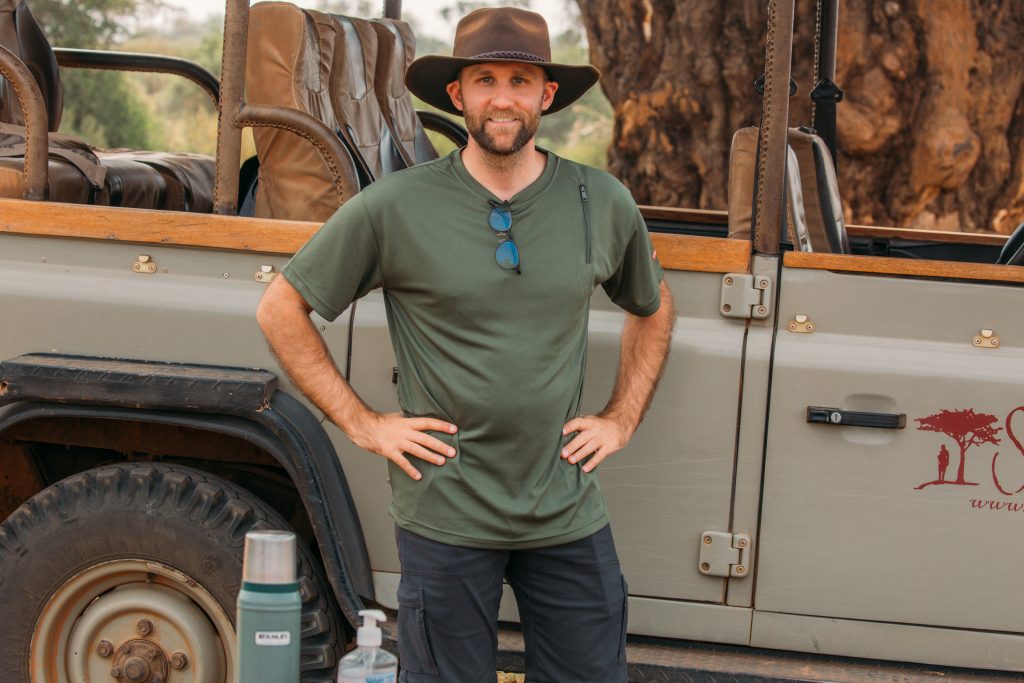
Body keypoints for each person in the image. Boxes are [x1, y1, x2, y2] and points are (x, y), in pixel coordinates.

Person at [256, 7, 674, 682]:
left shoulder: (600, 201)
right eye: (484, 79)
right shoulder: (396, 206)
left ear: (546, 95)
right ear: (458, 95)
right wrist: (362, 422)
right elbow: (281, 308)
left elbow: (652, 307)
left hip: (564, 508)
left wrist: (620, 416)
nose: (502, 97)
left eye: (520, 79)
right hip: (445, 510)